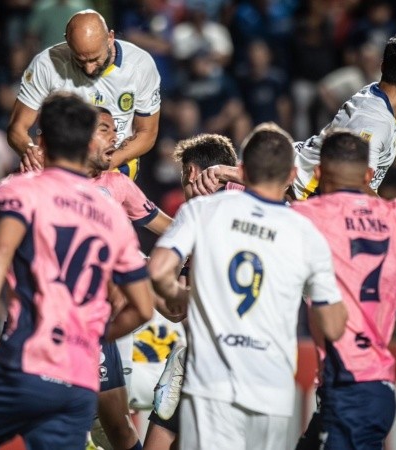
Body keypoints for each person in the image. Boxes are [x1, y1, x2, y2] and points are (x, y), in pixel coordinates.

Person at [0, 93, 154, 450]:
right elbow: (142, 307)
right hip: (79, 380)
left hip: (26, 364)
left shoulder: (23, 189)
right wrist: (90, 337)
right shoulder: (110, 211)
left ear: (44, 141)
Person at [147, 123, 348, 450]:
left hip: (210, 376)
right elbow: (334, 322)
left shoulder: (203, 210)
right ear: (292, 173)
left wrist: (191, 299)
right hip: (271, 385)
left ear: (243, 168)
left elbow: (158, 272)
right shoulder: (306, 231)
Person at [291, 130, 396, 450]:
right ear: (368, 175)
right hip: (371, 385)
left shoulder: (306, 217)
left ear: (320, 172)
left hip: (350, 384)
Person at [192, 31, 396, 198]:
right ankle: (231, 175)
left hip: (295, 173)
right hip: (297, 193)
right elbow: (355, 185)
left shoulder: (376, 93)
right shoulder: (374, 123)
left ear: (384, 66)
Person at [142, 133, 240, 450]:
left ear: (192, 173)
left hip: (210, 358)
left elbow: (176, 309)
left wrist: (136, 272)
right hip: (248, 359)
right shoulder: (254, 207)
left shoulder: (200, 216)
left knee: (162, 438)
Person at [8, 9, 161, 179]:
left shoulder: (140, 66)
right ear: (67, 41)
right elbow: (17, 128)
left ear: (110, 38)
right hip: (60, 167)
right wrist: (30, 150)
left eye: (95, 59)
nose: (89, 68)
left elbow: (147, 132)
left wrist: (105, 164)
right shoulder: (46, 65)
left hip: (114, 166)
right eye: (80, 60)